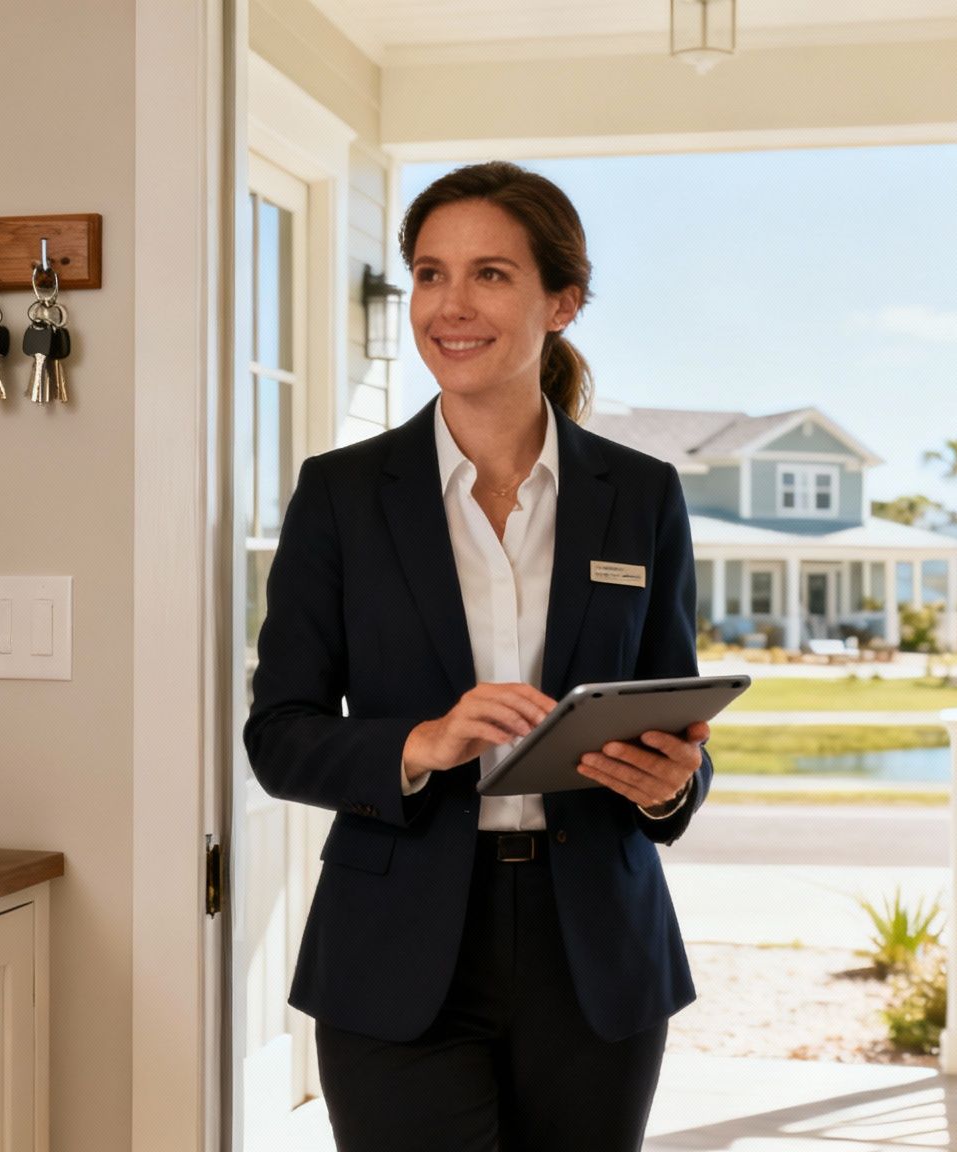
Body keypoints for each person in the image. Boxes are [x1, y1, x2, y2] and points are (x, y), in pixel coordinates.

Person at [243, 160, 712, 1152]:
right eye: (428, 273)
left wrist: (671, 784)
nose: (449, 306)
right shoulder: (340, 495)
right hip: (394, 948)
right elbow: (278, 737)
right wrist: (422, 741)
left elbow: (674, 720)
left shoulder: (640, 495)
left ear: (562, 302)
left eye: (490, 274)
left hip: (594, 946)